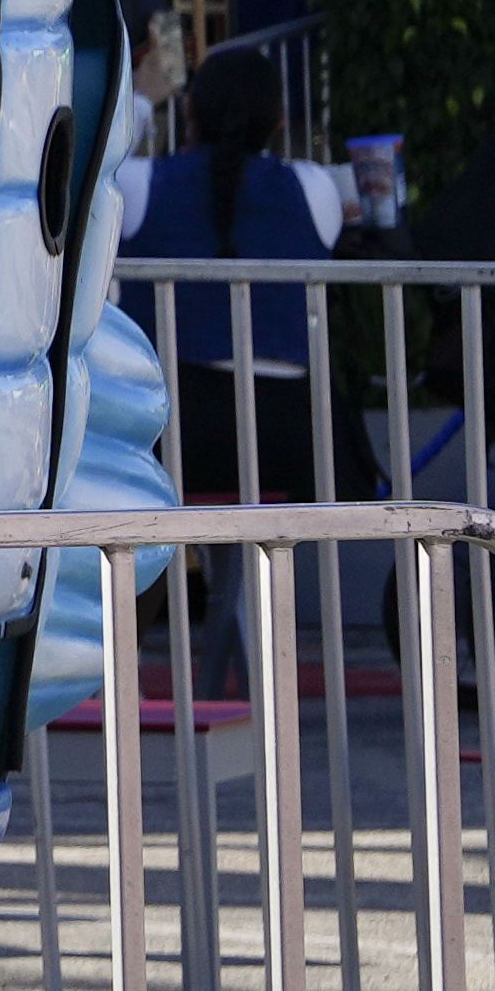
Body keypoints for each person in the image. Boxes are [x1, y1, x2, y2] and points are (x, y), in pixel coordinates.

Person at [128, 43, 332, 689]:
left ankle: (114, 651)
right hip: (289, 444)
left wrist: (138, 98)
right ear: (277, 122)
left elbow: (82, 164)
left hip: (177, 439)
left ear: (189, 111)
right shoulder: (314, 187)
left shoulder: (139, 185)